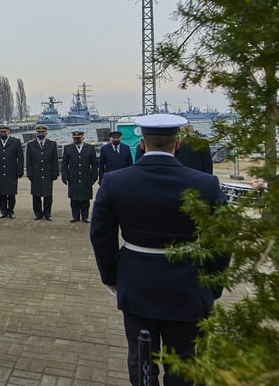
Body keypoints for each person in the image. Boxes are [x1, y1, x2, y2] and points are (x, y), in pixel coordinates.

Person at [89, 114, 230, 386]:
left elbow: (101, 236)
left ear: (142, 144)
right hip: (189, 282)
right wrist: (212, 283)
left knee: (141, 359)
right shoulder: (205, 184)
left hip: (137, 281)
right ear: (177, 145)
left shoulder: (116, 182)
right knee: (185, 361)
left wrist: (111, 277)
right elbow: (221, 241)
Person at [61, 130, 98, 223]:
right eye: (75, 138)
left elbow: (94, 164)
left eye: (78, 138)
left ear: (83, 138)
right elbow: (64, 164)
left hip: (86, 176)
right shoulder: (68, 148)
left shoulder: (89, 148)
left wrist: (94, 176)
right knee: (74, 198)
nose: (77, 140)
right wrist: (64, 176)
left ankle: (85, 216)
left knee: (85, 198)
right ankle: (75, 216)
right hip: (73, 177)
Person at [0, 124, 24, 219]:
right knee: (1, 193)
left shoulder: (16, 142)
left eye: (4, 132)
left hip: (11, 171)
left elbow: (20, 158)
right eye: (1, 132)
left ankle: (11, 211)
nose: (3, 134)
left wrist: (20, 171)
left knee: (11, 193)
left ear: (9, 132)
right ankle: (3, 211)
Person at [26, 125, 59, 220]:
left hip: (48, 173)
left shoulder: (52, 144)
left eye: (42, 133)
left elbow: (54, 160)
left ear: (46, 133)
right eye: (39, 133)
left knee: (48, 194)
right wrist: (29, 173)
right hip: (35, 174)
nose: (41, 134)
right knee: (36, 195)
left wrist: (55, 173)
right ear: (36, 134)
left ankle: (47, 213)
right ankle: (38, 213)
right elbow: (28, 161)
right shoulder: (31, 145)